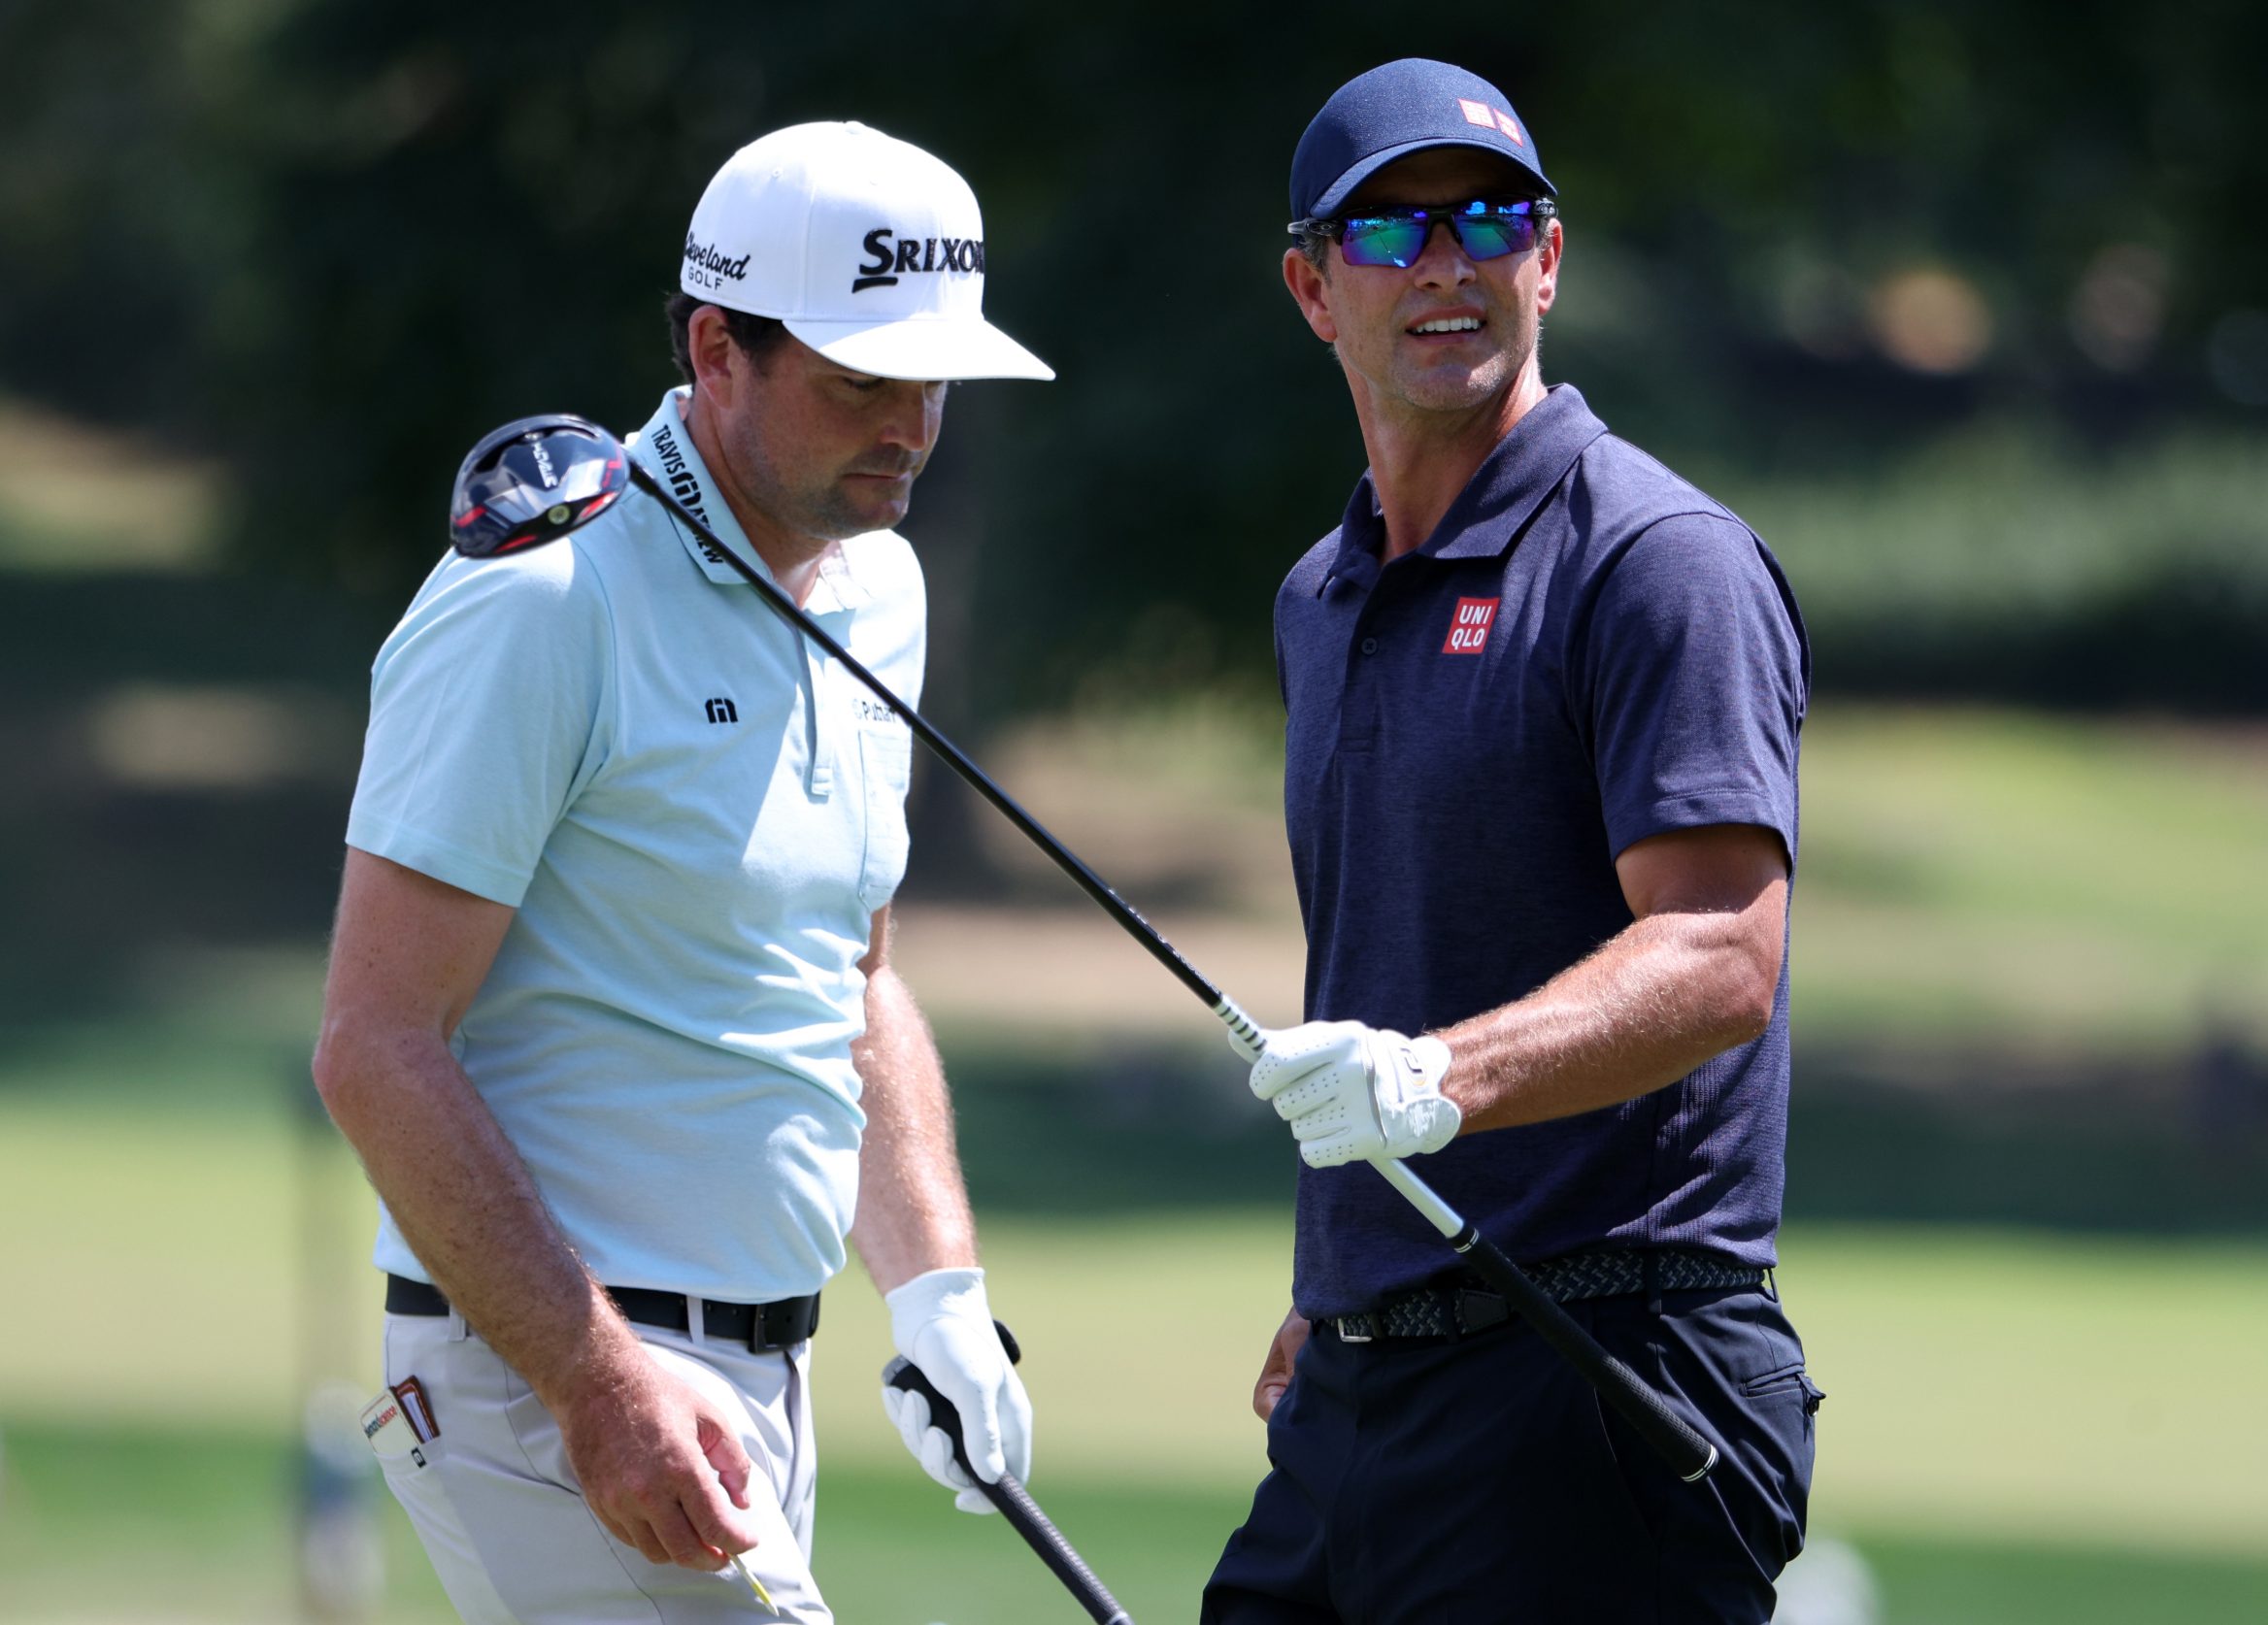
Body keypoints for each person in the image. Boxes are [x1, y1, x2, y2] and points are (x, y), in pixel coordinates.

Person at [314, 121, 1052, 1624]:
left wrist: (935, 1294)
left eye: (934, 381)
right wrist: (597, 1384)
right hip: (551, 1371)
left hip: (762, 1380)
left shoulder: (883, 586)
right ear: (719, 351)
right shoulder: (543, 598)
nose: (911, 423)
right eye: (861, 380)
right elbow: (374, 1047)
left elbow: (851, 971)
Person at [1203, 60, 1818, 1623]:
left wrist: (1432, 1084)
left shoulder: (1658, 562)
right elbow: (1402, 941)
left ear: (1548, 259)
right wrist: (1341, 1281)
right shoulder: (1317, 596)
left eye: (1489, 219)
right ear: (1309, 287)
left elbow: (1720, 954)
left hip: (1600, 1361)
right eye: (1389, 231)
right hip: (1373, 1366)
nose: (1446, 263)